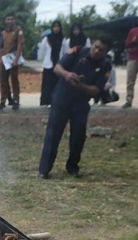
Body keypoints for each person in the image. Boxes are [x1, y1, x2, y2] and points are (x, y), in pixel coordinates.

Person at [38, 37, 112, 179]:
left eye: (101, 50)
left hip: (81, 102)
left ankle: (72, 167)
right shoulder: (78, 51)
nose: (96, 51)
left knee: (78, 136)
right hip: (62, 98)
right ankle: (44, 170)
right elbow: (57, 68)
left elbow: (96, 90)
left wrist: (80, 86)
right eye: (95, 47)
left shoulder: (106, 65)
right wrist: (67, 75)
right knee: (53, 134)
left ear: (106, 52)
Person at [0, 14, 24, 110]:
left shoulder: (18, 31)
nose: (10, 21)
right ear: (5, 21)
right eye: (8, 19)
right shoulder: (3, 32)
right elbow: (1, 46)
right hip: (4, 59)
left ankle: (16, 101)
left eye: (11, 19)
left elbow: (20, 45)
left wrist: (16, 59)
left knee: (14, 80)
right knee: (3, 81)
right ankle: (2, 102)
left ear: (14, 20)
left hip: (13, 58)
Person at [37, 21, 63, 106]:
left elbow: (65, 51)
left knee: (57, 84)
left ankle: (55, 101)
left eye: (58, 26)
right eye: (54, 27)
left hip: (59, 65)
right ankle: (45, 101)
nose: (56, 28)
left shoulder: (63, 39)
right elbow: (42, 51)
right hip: (48, 64)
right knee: (47, 84)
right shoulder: (47, 39)